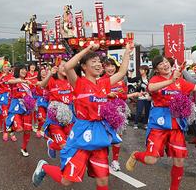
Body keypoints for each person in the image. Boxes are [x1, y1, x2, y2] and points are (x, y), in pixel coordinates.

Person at [32, 42, 134, 190]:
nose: (99, 64)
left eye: (99, 62)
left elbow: (122, 72)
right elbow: (68, 67)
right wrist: (87, 50)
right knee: (66, 181)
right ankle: (44, 167)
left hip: (99, 134)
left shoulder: (104, 83)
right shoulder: (78, 83)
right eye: (94, 62)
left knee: (103, 180)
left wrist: (127, 52)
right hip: (81, 134)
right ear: (84, 67)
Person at [125, 56, 196, 190]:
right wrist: (171, 80)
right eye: (161, 64)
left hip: (176, 123)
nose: (165, 65)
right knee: (151, 159)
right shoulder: (155, 79)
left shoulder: (180, 82)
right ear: (156, 69)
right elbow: (151, 88)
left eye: (166, 62)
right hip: (158, 124)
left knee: (179, 159)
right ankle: (136, 155)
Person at [101, 56, 140, 172]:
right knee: (105, 138)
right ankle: (102, 160)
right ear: (103, 67)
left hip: (118, 112)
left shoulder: (121, 81)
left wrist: (132, 95)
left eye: (112, 65)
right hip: (105, 112)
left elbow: (123, 96)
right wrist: (107, 96)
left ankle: (115, 161)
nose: (110, 68)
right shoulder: (101, 80)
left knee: (117, 137)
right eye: (107, 66)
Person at [6, 64, 34, 157]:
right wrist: (19, 80)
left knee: (27, 130)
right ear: (18, 70)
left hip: (27, 108)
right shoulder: (14, 79)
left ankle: (24, 148)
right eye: (22, 69)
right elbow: (8, 81)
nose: (24, 71)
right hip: (17, 106)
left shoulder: (28, 81)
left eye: (25, 69)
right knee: (19, 129)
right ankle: (11, 128)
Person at [128, 65, 151, 129]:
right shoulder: (138, 78)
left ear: (146, 71)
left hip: (147, 98)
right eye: (140, 69)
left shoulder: (149, 79)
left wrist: (151, 96)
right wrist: (130, 73)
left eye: (142, 69)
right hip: (140, 97)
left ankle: (145, 124)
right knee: (139, 111)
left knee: (147, 111)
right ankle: (135, 123)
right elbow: (130, 80)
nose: (140, 71)